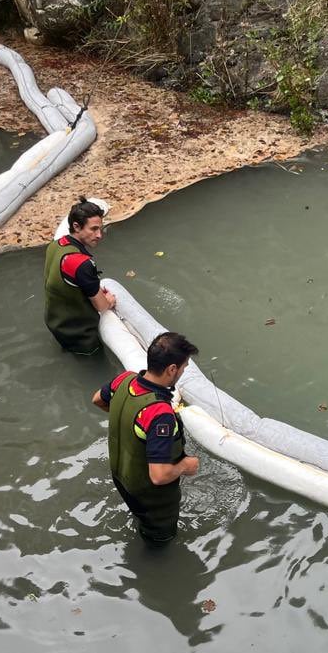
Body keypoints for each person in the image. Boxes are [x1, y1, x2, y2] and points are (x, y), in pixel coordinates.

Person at [92, 332, 200, 543]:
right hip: (151, 499)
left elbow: (97, 399)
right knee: (161, 540)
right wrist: (185, 466)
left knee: (140, 517)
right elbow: (159, 476)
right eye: (184, 367)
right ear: (172, 369)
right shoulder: (160, 415)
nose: (183, 371)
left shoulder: (124, 379)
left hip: (121, 478)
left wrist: (129, 423)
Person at [44, 197, 116, 355]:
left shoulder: (56, 245)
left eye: (100, 229)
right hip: (81, 335)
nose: (99, 235)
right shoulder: (82, 264)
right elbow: (102, 306)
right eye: (93, 229)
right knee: (94, 360)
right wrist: (109, 301)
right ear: (76, 226)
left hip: (56, 323)